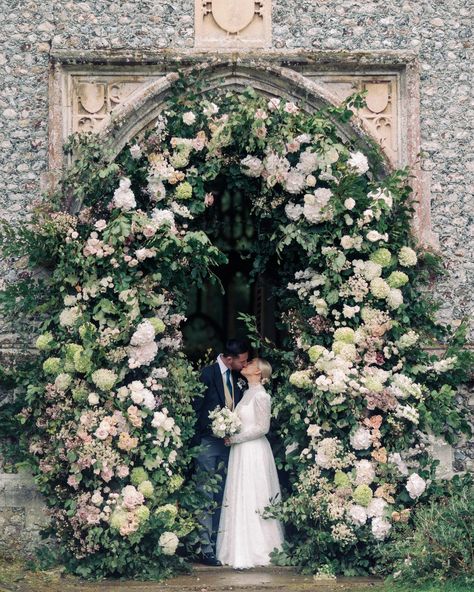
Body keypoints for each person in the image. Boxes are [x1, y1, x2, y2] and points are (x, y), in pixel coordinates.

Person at [216, 358, 284, 569]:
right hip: (241, 451)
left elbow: (262, 428)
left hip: (253, 450)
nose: (245, 365)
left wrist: (235, 438)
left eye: (251, 363)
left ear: (259, 372)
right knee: (240, 493)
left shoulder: (262, 396)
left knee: (255, 493)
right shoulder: (247, 392)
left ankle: (259, 547)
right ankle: (237, 547)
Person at [193, 338, 250, 566]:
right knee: (205, 493)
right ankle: (204, 548)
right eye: (242, 361)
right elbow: (196, 409)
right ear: (228, 358)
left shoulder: (238, 377)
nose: (245, 365)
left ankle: (220, 546)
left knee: (224, 495)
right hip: (208, 443)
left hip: (230, 445)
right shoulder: (207, 374)